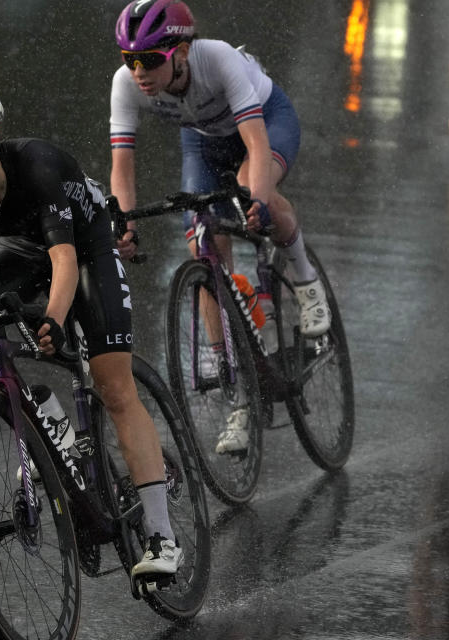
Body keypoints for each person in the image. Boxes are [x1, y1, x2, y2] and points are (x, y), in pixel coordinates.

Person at [0, 81, 181, 584]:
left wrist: (54, 320)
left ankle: (161, 536)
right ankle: (42, 410)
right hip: (25, 250)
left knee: (113, 386)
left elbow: (64, 262)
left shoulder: (41, 165)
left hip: (86, 251)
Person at [108, 0, 328, 454]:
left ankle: (307, 283)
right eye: (130, 60)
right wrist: (124, 225)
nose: (139, 72)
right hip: (203, 142)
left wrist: (260, 201)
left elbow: (255, 141)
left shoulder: (219, 58)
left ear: (182, 53)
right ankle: (239, 389)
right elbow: (122, 171)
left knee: (251, 183)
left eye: (150, 60)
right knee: (204, 247)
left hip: (265, 121)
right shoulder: (126, 85)